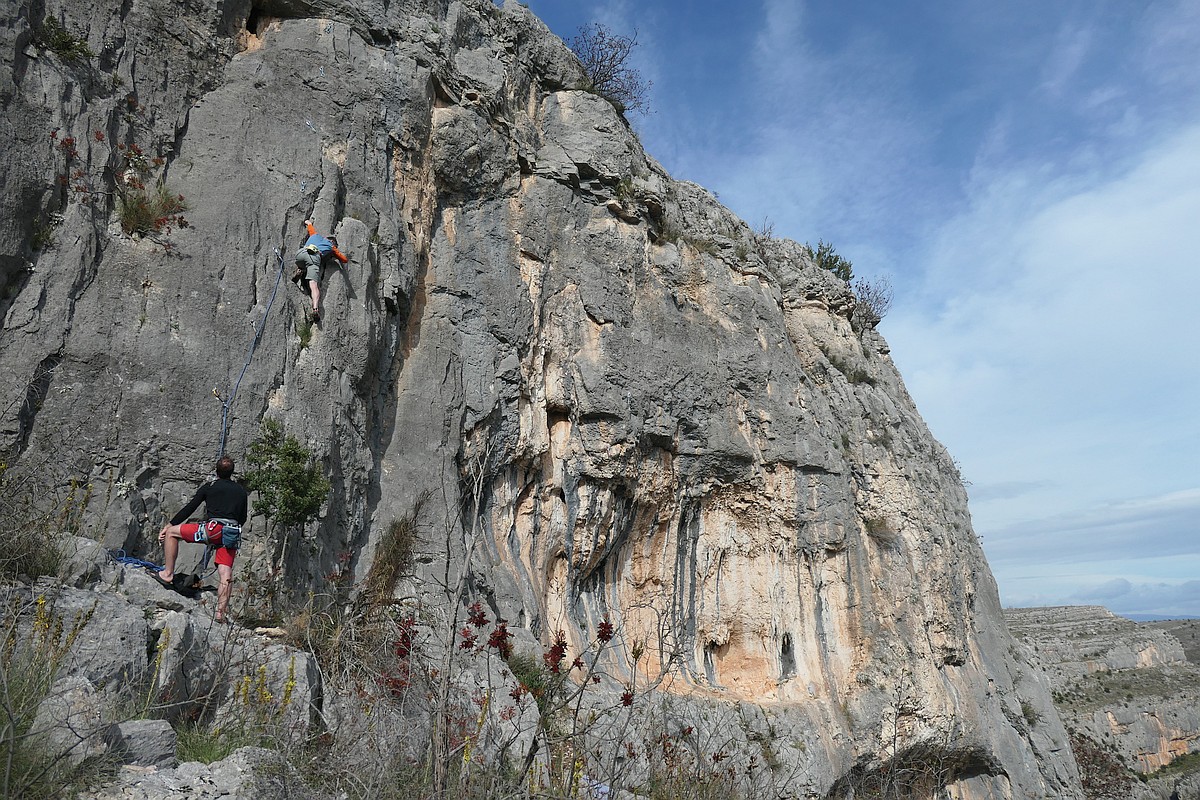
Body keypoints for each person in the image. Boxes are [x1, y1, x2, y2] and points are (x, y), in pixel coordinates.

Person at [158, 455, 249, 624]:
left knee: (172, 533)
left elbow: (190, 508)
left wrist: (170, 524)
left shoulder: (210, 486)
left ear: (217, 471)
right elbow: (242, 518)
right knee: (225, 571)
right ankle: (220, 613)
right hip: (230, 533)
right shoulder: (241, 492)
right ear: (232, 472)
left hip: (211, 530)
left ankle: (168, 573)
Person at [292, 219, 348, 322]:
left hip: (300, 253)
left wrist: (308, 222)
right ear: (333, 243)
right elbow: (344, 260)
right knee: (314, 285)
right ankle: (315, 308)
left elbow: (309, 225)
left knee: (304, 262)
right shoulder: (332, 246)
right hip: (314, 257)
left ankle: (300, 270)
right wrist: (334, 253)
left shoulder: (315, 235)